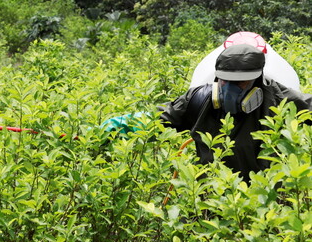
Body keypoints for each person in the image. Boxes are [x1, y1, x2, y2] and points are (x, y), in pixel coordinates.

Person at [103, 43, 312, 181]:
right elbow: (156, 119)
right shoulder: (199, 100)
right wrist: (110, 129)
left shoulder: (282, 101)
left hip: (264, 206)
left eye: (240, 83)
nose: (230, 89)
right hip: (211, 202)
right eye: (225, 81)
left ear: (257, 80)